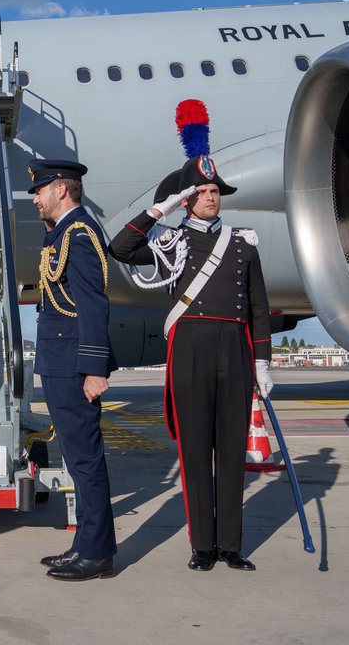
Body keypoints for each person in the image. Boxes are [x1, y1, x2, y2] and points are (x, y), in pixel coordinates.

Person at [109, 152, 272, 572]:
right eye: (202, 193)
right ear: (187, 200)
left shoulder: (242, 243)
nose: (212, 199)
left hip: (235, 349)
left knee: (233, 451)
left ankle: (230, 545)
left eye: (215, 192)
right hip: (190, 348)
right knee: (196, 450)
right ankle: (202, 545)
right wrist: (159, 209)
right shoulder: (171, 242)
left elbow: (258, 306)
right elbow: (121, 247)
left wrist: (263, 362)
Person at [28, 158, 118, 581]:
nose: (35, 197)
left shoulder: (79, 235)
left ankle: (97, 552)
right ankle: (86, 544)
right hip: (61, 361)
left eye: (41, 190)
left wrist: (95, 368)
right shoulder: (62, 233)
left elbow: (93, 304)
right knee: (76, 457)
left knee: (85, 460)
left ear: (61, 189)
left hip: (74, 365)